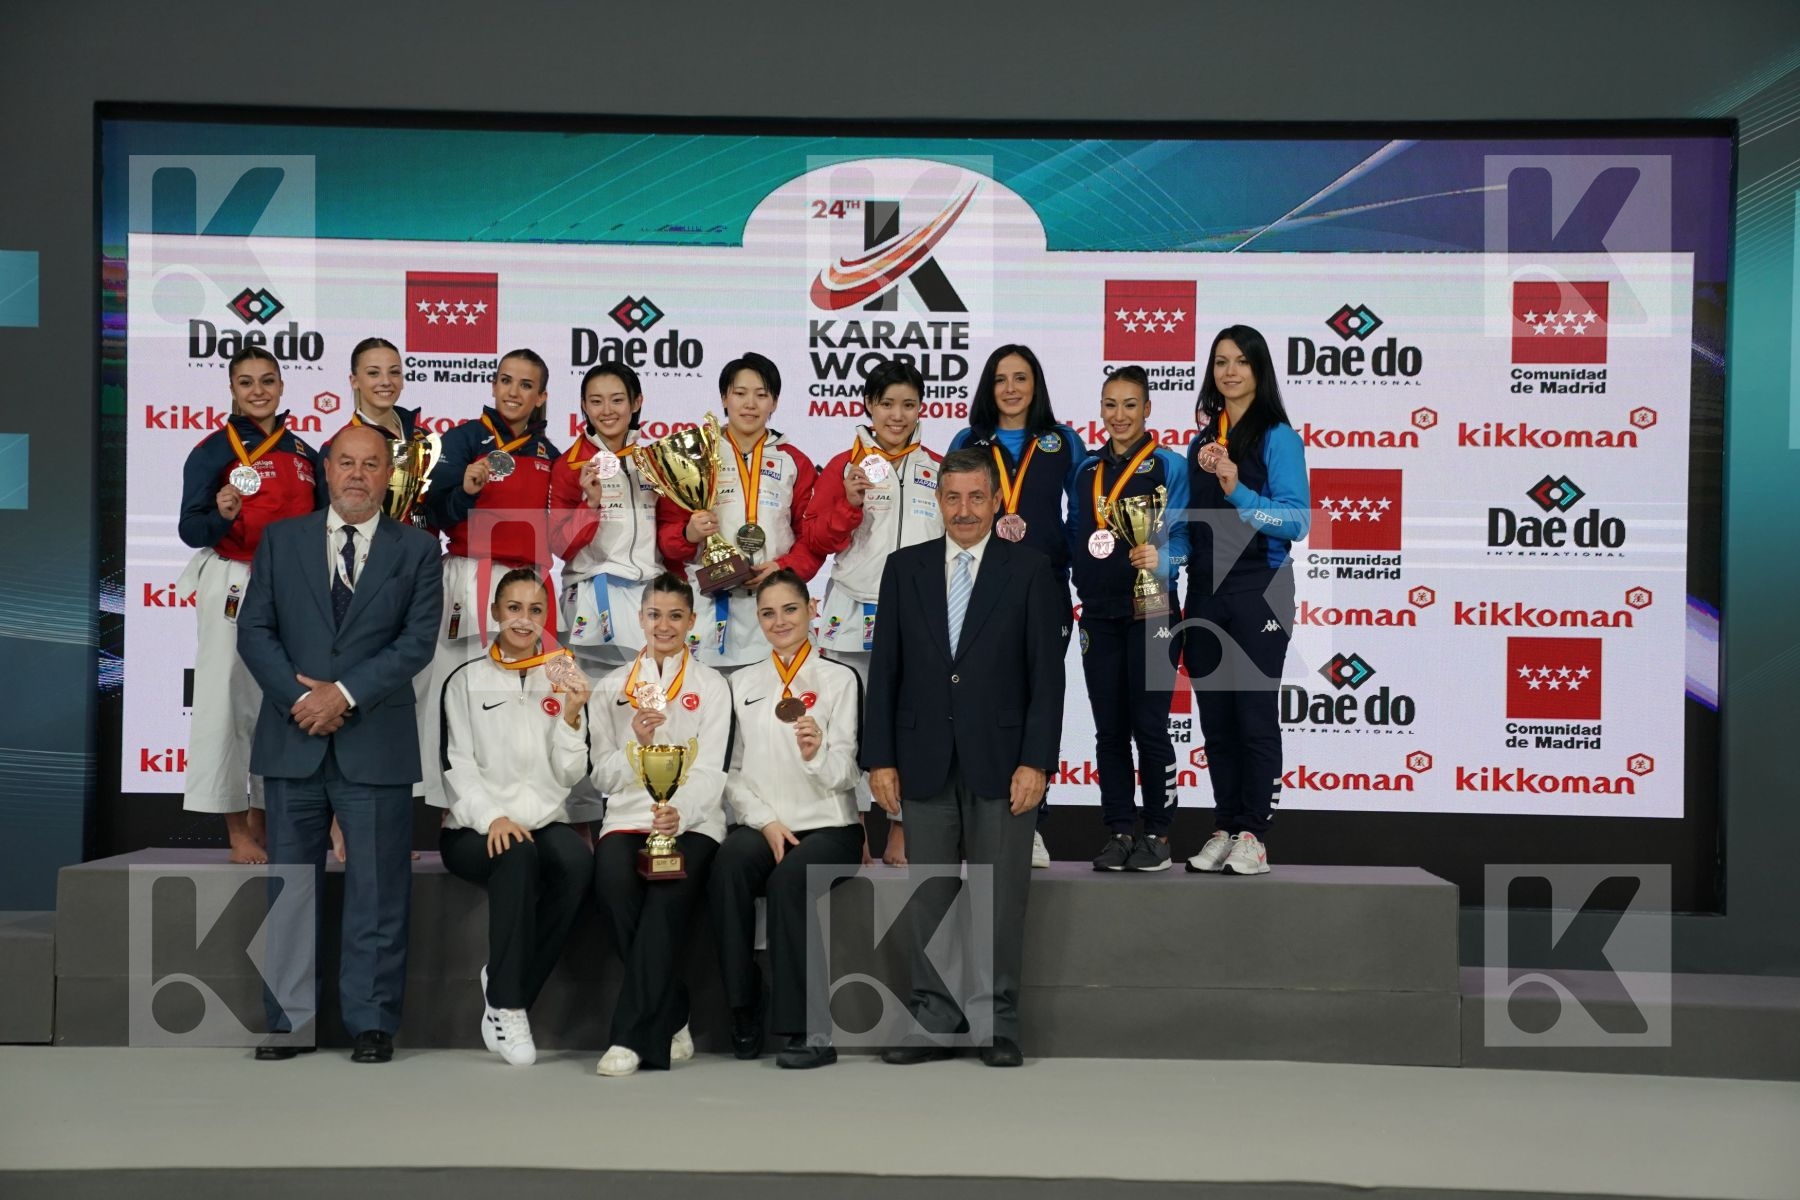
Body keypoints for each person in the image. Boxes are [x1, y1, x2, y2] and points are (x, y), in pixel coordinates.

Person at [234, 424, 443, 1062]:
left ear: (389, 475)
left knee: (378, 890)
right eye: (346, 463)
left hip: (372, 738)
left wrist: (343, 694)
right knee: (289, 887)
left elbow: (417, 641)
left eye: (371, 464)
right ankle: (287, 1021)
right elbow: (255, 631)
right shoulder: (281, 540)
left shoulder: (417, 549)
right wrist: (303, 700)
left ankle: (372, 1022)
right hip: (294, 736)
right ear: (326, 470)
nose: (357, 474)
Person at [862, 447, 1067, 1067]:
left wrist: (1038, 761)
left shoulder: (1030, 570)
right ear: (939, 500)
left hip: (1005, 764)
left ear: (995, 500)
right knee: (930, 893)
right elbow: (887, 669)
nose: (964, 510)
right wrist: (880, 759)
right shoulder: (904, 569)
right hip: (921, 757)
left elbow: (1047, 678)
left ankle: (995, 1020)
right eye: (952, 498)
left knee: (1000, 893)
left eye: (977, 497)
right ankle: (933, 1016)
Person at [562, 572, 730, 1077]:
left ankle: (631, 1038)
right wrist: (635, 741)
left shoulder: (712, 686)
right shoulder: (613, 688)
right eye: (655, 615)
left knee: (664, 900)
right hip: (629, 817)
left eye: (675, 616)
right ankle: (672, 1007)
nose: (664, 625)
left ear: (692, 623)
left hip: (692, 823)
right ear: (639, 619)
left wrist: (681, 813)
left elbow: (712, 770)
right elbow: (603, 776)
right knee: (613, 887)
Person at [439, 568, 596, 1067]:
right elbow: (456, 766)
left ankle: (510, 984)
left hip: (544, 820)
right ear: (494, 614)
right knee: (516, 853)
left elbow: (570, 773)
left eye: (534, 610)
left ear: (547, 616)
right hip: (471, 829)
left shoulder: (563, 675)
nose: (523, 620)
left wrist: (572, 715)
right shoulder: (465, 680)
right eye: (513, 608)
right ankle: (508, 1007)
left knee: (577, 864)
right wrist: (492, 818)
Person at [708, 569, 865, 1069]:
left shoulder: (841, 679)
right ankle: (742, 1006)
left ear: (813, 611)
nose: (780, 621)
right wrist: (764, 821)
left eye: (790, 609)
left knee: (789, 881)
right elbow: (728, 772)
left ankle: (810, 1031)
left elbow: (847, 772)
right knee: (729, 865)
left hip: (829, 826)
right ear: (758, 619)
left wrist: (818, 753)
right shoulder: (741, 683)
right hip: (764, 823)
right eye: (768, 613)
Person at [176, 346, 323, 864]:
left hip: (291, 589)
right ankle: (236, 831)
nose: (258, 391)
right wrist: (218, 514)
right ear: (232, 390)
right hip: (234, 580)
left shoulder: (306, 453)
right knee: (224, 703)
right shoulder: (213, 451)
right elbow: (190, 528)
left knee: (279, 706)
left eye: (267, 380)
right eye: (246, 382)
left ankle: (263, 822)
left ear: (282, 386)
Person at [801, 358, 943, 866]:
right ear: (868, 406)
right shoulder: (844, 465)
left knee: (911, 724)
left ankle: (900, 830)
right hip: (849, 611)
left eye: (908, 404)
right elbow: (816, 539)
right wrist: (849, 501)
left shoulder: (937, 468)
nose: (897, 415)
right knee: (848, 725)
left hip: (918, 618)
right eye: (887, 404)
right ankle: (854, 828)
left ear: (921, 407)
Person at [1182, 326, 1309, 877]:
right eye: (1220, 362)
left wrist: (1239, 489)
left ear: (1259, 369)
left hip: (1262, 586)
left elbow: (1297, 520)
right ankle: (1226, 825)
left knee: (1254, 716)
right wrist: (1159, 558)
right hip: (1207, 590)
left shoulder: (1278, 436)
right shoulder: (1200, 444)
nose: (1229, 372)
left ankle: (1255, 833)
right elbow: (1189, 526)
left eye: (1240, 362)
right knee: (1216, 719)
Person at [948, 344, 1081, 869]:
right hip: (980, 592)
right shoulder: (969, 440)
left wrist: (1067, 559)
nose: (1010, 388)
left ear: (1036, 384)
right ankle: (980, 820)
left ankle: (1031, 824)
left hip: (1045, 589)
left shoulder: (1063, 441)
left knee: (1039, 699)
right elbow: (953, 513)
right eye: (1000, 378)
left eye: (1021, 377)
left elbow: (1087, 510)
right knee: (984, 701)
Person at [419, 349, 561, 813]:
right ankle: (448, 812)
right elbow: (436, 513)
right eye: (505, 381)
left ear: (540, 396)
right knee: (455, 693)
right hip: (469, 575)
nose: (513, 392)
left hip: (524, 587)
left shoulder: (549, 454)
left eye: (525, 385)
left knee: (515, 699)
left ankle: (514, 807)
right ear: (494, 386)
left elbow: (559, 531)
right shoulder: (462, 439)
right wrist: (464, 489)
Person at [1070, 366, 1190, 871]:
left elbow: (1187, 535)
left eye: (1130, 405)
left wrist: (1163, 560)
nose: (1119, 415)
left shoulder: (1170, 466)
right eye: (1110, 404)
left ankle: (1158, 836)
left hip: (1154, 608)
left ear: (1147, 409)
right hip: (1099, 614)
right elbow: (1079, 533)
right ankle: (1119, 830)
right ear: (1101, 409)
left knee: (1150, 725)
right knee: (1109, 730)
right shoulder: (1084, 470)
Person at [655, 352, 822, 672]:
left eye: (762, 395)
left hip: (775, 604)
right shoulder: (695, 454)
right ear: (724, 398)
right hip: (708, 604)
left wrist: (782, 567)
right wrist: (688, 533)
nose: (750, 404)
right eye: (740, 393)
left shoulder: (794, 461)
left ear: (774, 402)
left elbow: (811, 540)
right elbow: (667, 538)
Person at [549, 362, 659, 676]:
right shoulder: (569, 465)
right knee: (596, 704)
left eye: (617, 400)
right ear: (583, 406)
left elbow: (667, 536)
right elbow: (561, 546)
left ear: (636, 402)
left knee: (649, 703)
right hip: (593, 594)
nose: (607, 410)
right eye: (596, 401)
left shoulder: (653, 462)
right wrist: (590, 504)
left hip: (649, 598)